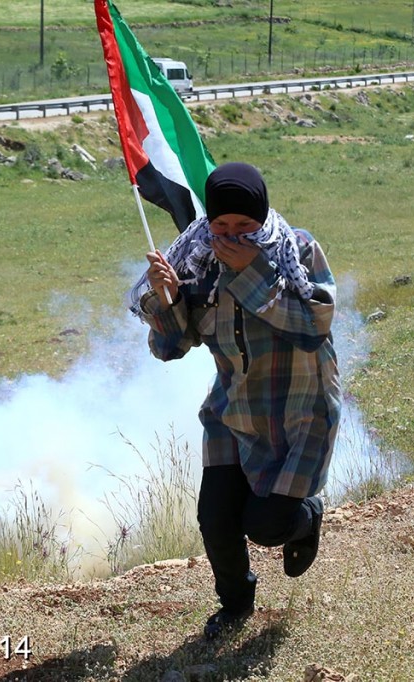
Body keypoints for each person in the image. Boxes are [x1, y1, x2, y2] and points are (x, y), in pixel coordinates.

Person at [131, 162, 341, 640]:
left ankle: (305, 517)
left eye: (244, 228)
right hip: (234, 408)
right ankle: (235, 605)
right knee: (215, 516)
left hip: (300, 410)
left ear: (262, 220)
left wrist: (252, 272)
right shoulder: (196, 262)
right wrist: (166, 303)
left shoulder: (298, 249)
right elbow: (170, 348)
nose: (230, 237)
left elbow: (313, 327)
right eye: (221, 226)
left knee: (265, 525)